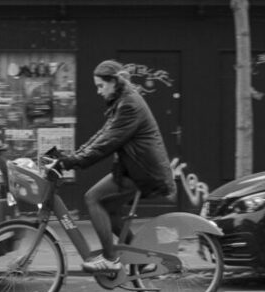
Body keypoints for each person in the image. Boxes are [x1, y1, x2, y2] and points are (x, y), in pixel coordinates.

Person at [54, 59, 175, 272]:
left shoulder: (129, 104)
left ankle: (110, 259)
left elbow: (108, 142)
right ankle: (141, 255)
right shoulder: (121, 101)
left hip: (143, 172)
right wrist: (72, 157)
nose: (98, 91)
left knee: (92, 198)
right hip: (134, 169)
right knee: (108, 209)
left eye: (101, 86)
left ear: (114, 82)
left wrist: (73, 161)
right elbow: (101, 135)